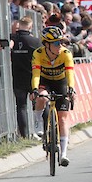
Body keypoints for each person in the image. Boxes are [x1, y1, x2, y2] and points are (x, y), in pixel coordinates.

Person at [31, 26, 76, 166]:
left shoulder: (66, 53)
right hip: (45, 81)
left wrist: (71, 89)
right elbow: (36, 74)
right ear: (47, 44)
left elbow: (70, 73)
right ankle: (38, 122)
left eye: (60, 42)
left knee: (63, 118)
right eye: (56, 43)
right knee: (42, 97)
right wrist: (34, 89)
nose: (59, 46)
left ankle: (63, 154)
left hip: (60, 82)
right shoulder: (38, 54)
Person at [9, 16, 42, 138]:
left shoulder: (12, 40)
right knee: (39, 103)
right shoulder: (35, 41)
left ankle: (24, 135)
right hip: (34, 77)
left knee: (21, 107)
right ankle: (42, 129)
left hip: (18, 77)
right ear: (30, 26)